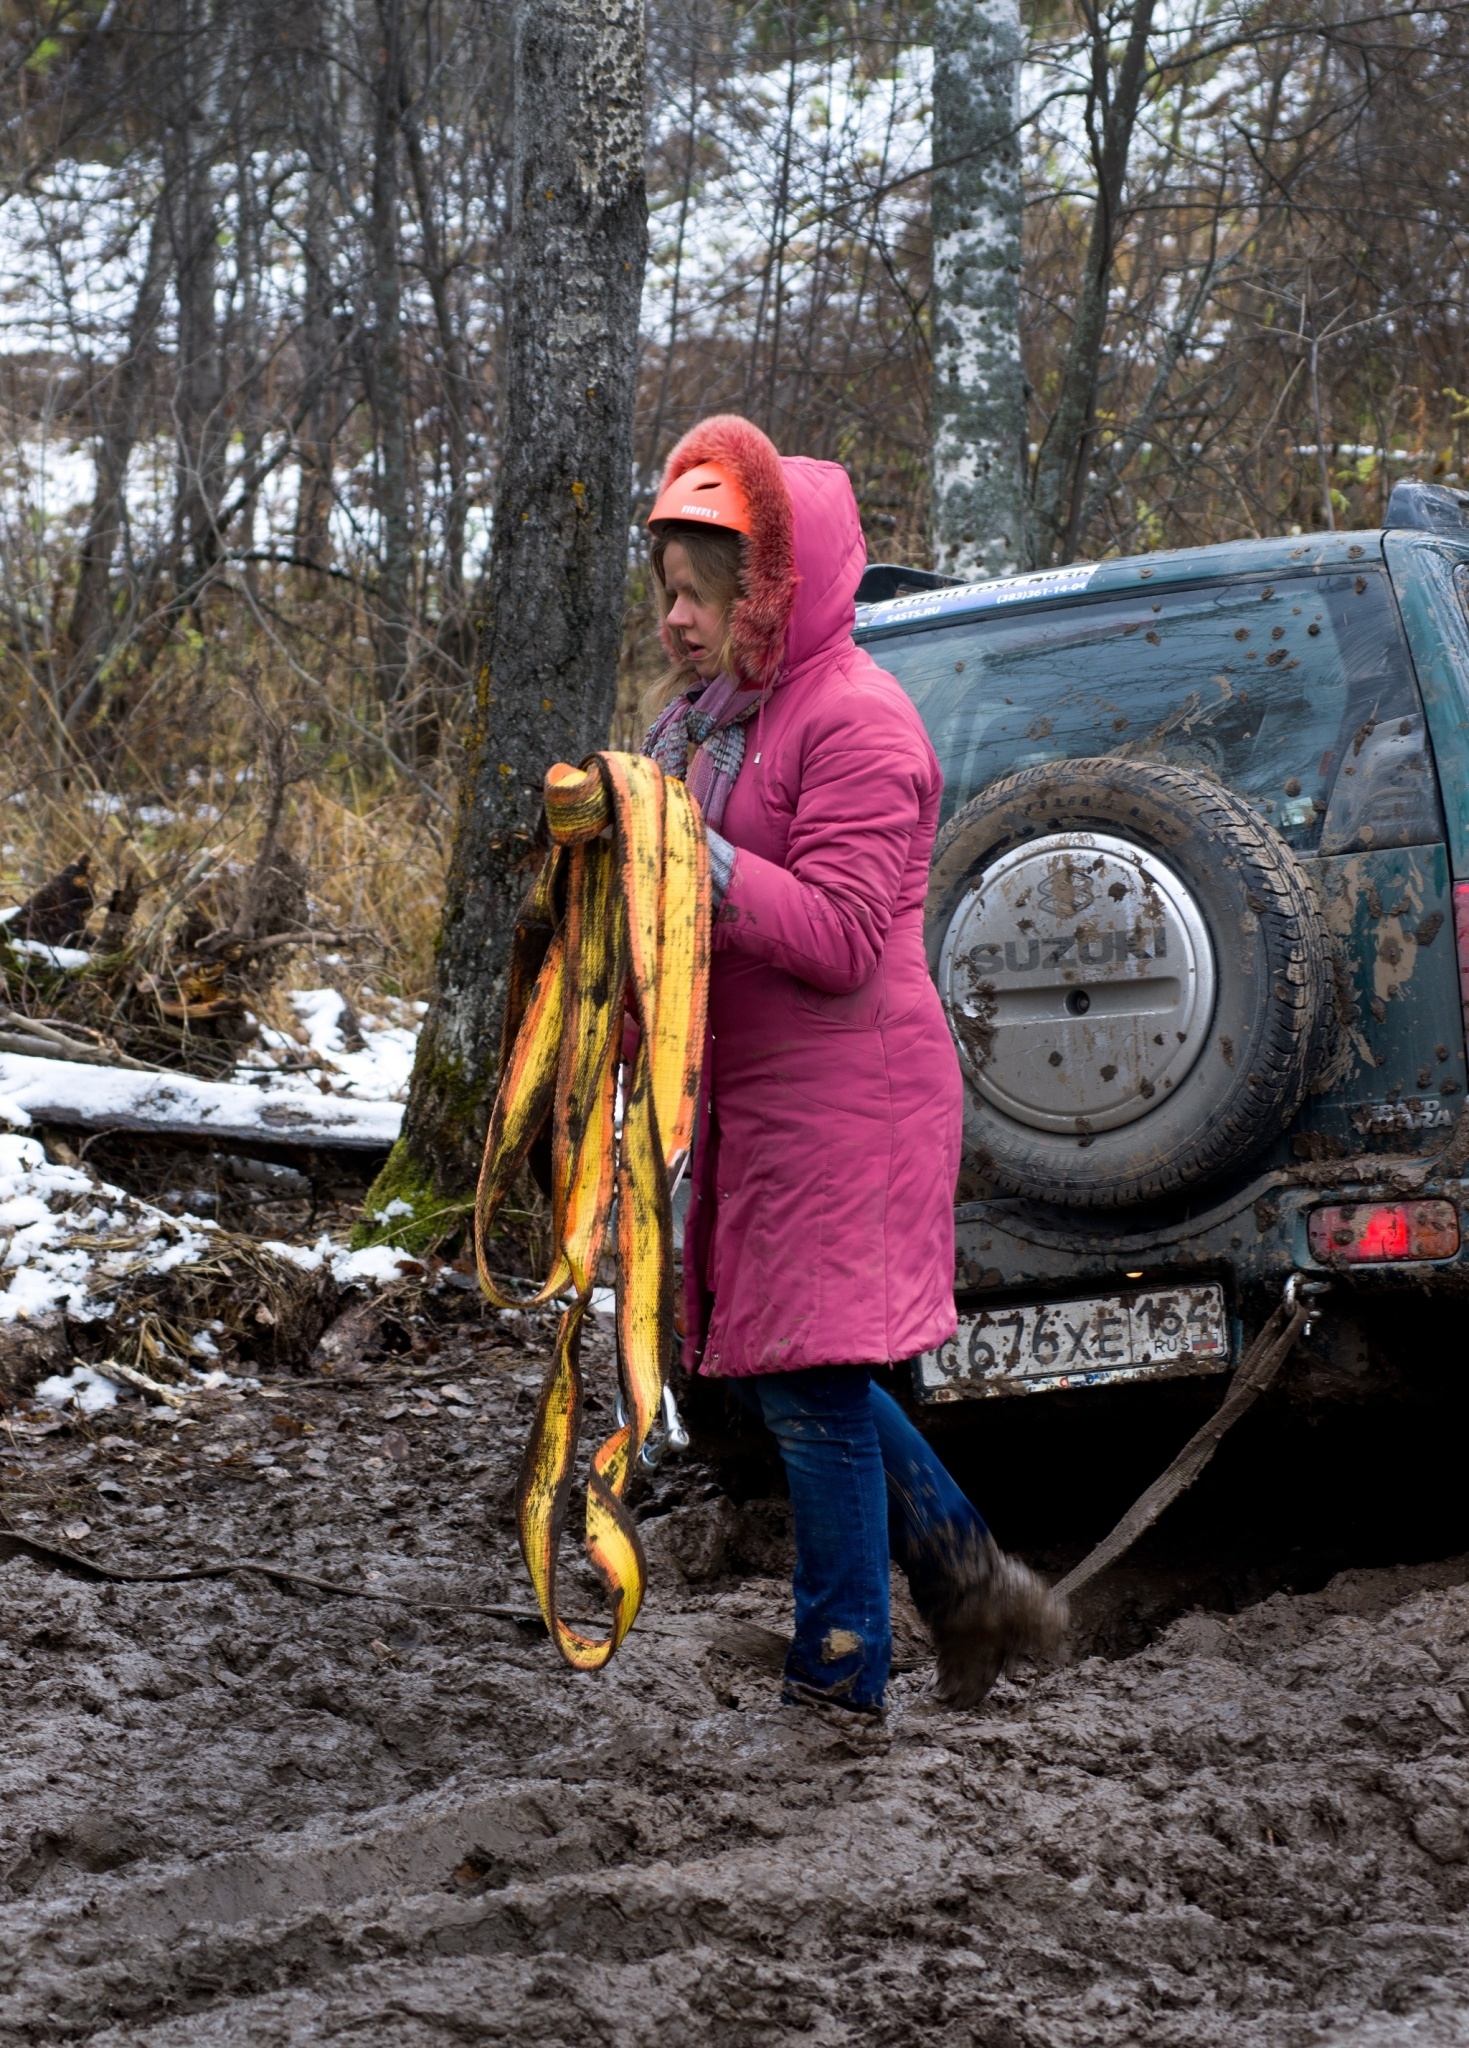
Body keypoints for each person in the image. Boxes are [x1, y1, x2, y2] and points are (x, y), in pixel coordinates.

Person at [641, 414, 1065, 1716]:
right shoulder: (712, 725)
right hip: (758, 1096)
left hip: (851, 1098)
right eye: (665, 594)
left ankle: (835, 1682)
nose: (676, 620)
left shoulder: (858, 725)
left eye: (701, 594)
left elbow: (832, 936)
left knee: (814, 1389)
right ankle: (972, 1586)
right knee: (798, 1370)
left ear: (766, 592)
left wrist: (695, 857)